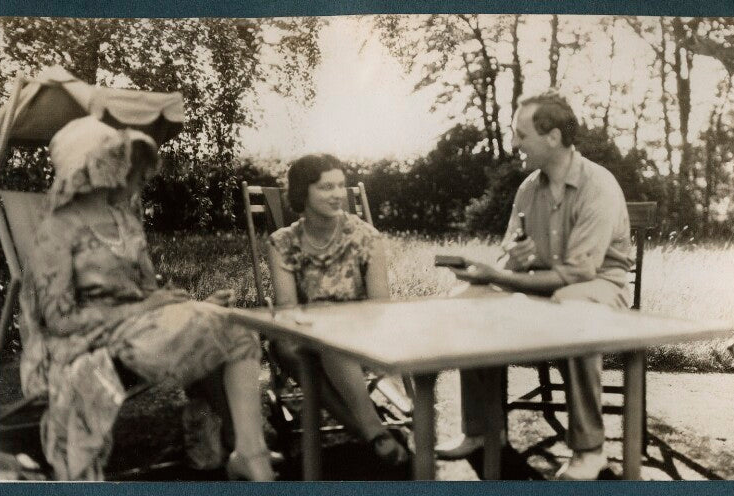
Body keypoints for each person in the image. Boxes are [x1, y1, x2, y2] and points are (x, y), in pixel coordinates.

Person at [19, 116, 275, 481]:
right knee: (223, 332)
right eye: (123, 161)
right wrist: (148, 308)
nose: (136, 174)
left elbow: (146, 292)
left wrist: (189, 305)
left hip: (137, 329)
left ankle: (250, 452)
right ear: (90, 168)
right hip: (80, 341)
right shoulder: (57, 230)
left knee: (234, 325)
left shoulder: (127, 223)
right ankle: (240, 447)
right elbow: (59, 320)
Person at [434, 90, 633, 480]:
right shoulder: (529, 188)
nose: (513, 144)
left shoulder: (598, 185)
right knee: (466, 301)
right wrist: (505, 264)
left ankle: (589, 450)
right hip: (543, 286)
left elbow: (579, 275)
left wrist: (500, 275)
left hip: (599, 288)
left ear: (553, 136)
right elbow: (511, 254)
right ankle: (481, 432)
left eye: (521, 135)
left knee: (573, 308)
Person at [266, 154, 410, 466]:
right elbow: (287, 308)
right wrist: (317, 321)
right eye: (325, 187)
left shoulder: (366, 237)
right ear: (303, 192)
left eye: (340, 186)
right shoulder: (282, 242)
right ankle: (373, 432)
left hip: (361, 330)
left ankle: (370, 433)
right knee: (287, 347)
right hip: (304, 332)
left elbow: (379, 306)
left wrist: (337, 321)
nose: (336, 194)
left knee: (333, 342)